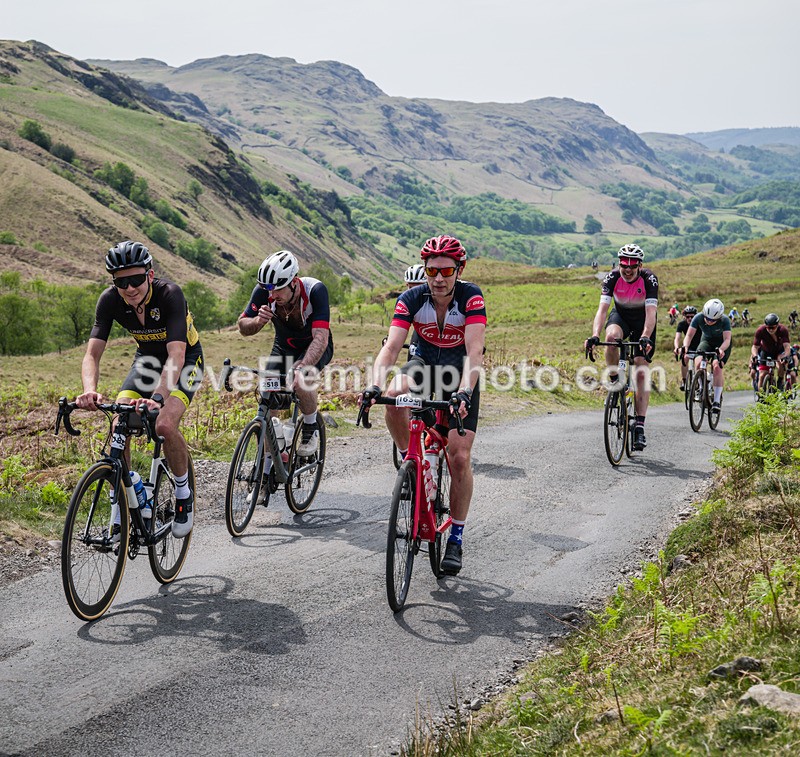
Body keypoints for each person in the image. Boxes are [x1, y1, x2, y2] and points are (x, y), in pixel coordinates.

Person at [362, 235, 486, 576]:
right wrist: (373, 385)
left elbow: (474, 352)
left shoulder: (470, 297)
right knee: (393, 398)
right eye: (433, 270)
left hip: (461, 376)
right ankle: (411, 462)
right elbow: (390, 349)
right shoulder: (412, 299)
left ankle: (456, 537)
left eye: (446, 270)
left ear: (458, 269)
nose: (439, 278)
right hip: (423, 368)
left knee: (458, 456)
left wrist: (463, 393)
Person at [77, 241, 203, 539]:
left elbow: (176, 356)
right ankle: (123, 504)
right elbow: (91, 354)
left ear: (150, 274)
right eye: (122, 282)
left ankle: (184, 494)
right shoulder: (109, 301)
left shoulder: (169, 294)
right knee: (120, 423)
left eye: (136, 279)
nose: (130, 288)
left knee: (164, 425)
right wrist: (89, 391)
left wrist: (158, 398)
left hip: (185, 360)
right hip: (146, 362)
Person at [238, 250, 333, 457]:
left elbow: (321, 338)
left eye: (277, 290)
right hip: (283, 346)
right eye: (268, 290)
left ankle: (310, 427)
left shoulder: (315, 290)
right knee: (267, 389)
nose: (272, 296)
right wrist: (257, 321)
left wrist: (302, 367)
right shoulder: (264, 291)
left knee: (301, 380)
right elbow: (242, 326)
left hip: (314, 345)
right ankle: (273, 456)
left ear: (294, 282)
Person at [585, 244, 658, 451]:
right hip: (621, 317)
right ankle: (616, 380)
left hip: (644, 320)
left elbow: (651, 313)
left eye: (632, 266)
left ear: (639, 265)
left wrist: (645, 336)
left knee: (641, 369)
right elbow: (602, 310)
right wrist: (594, 335)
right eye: (623, 264)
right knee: (611, 337)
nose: (627, 269)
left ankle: (640, 427)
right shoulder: (612, 277)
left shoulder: (649, 279)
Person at [682, 298, 732, 412]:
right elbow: (689, 336)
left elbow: (727, 339)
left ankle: (716, 400)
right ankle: (700, 386)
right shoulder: (698, 317)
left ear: (719, 317)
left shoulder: (725, 320)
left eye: (712, 320)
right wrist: (685, 346)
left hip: (722, 344)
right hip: (706, 341)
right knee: (698, 361)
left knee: (717, 366)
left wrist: (721, 349)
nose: (709, 321)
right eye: (707, 318)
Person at [750, 313, 791, 392]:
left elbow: (787, 346)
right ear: (765, 326)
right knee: (762, 375)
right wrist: (755, 356)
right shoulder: (760, 330)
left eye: (773, 327)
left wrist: (785, 356)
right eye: (768, 328)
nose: (771, 330)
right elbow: (755, 346)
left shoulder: (783, 330)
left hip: (779, 351)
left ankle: (780, 381)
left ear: (777, 325)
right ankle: (761, 395)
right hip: (766, 351)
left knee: (781, 365)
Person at [673, 306, 700, 391]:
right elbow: (677, 337)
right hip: (688, 346)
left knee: (698, 363)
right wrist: (677, 347)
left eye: (692, 317)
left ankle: (699, 380)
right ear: (684, 316)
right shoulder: (682, 324)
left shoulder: (700, 323)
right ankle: (684, 381)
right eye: (688, 317)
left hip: (700, 346)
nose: (690, 319)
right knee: (684, 359)